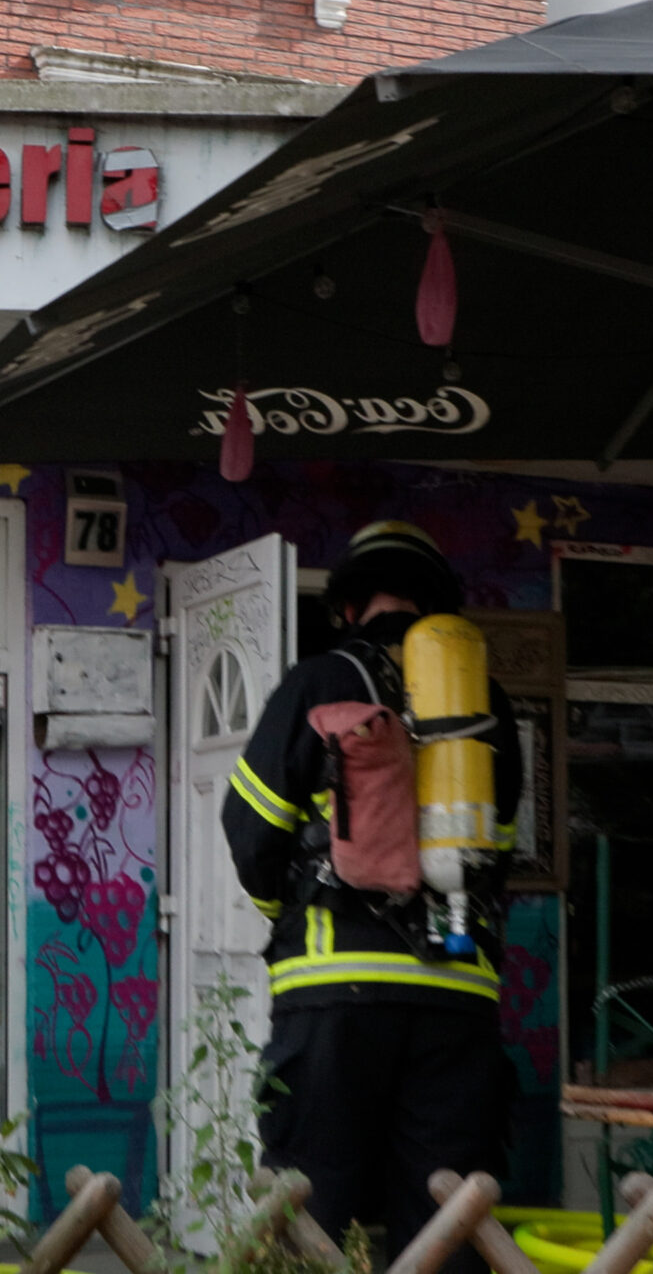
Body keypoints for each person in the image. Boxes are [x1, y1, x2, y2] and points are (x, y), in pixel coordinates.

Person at [221, 520, 518, 1266]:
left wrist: (288, 915)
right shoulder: (488, 705)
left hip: (333, 990)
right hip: (459, 990)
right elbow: (499, 849)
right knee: (446, 1213)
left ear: (348, 606)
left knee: (313, 1203)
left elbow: (250, 829)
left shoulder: (317, 682)